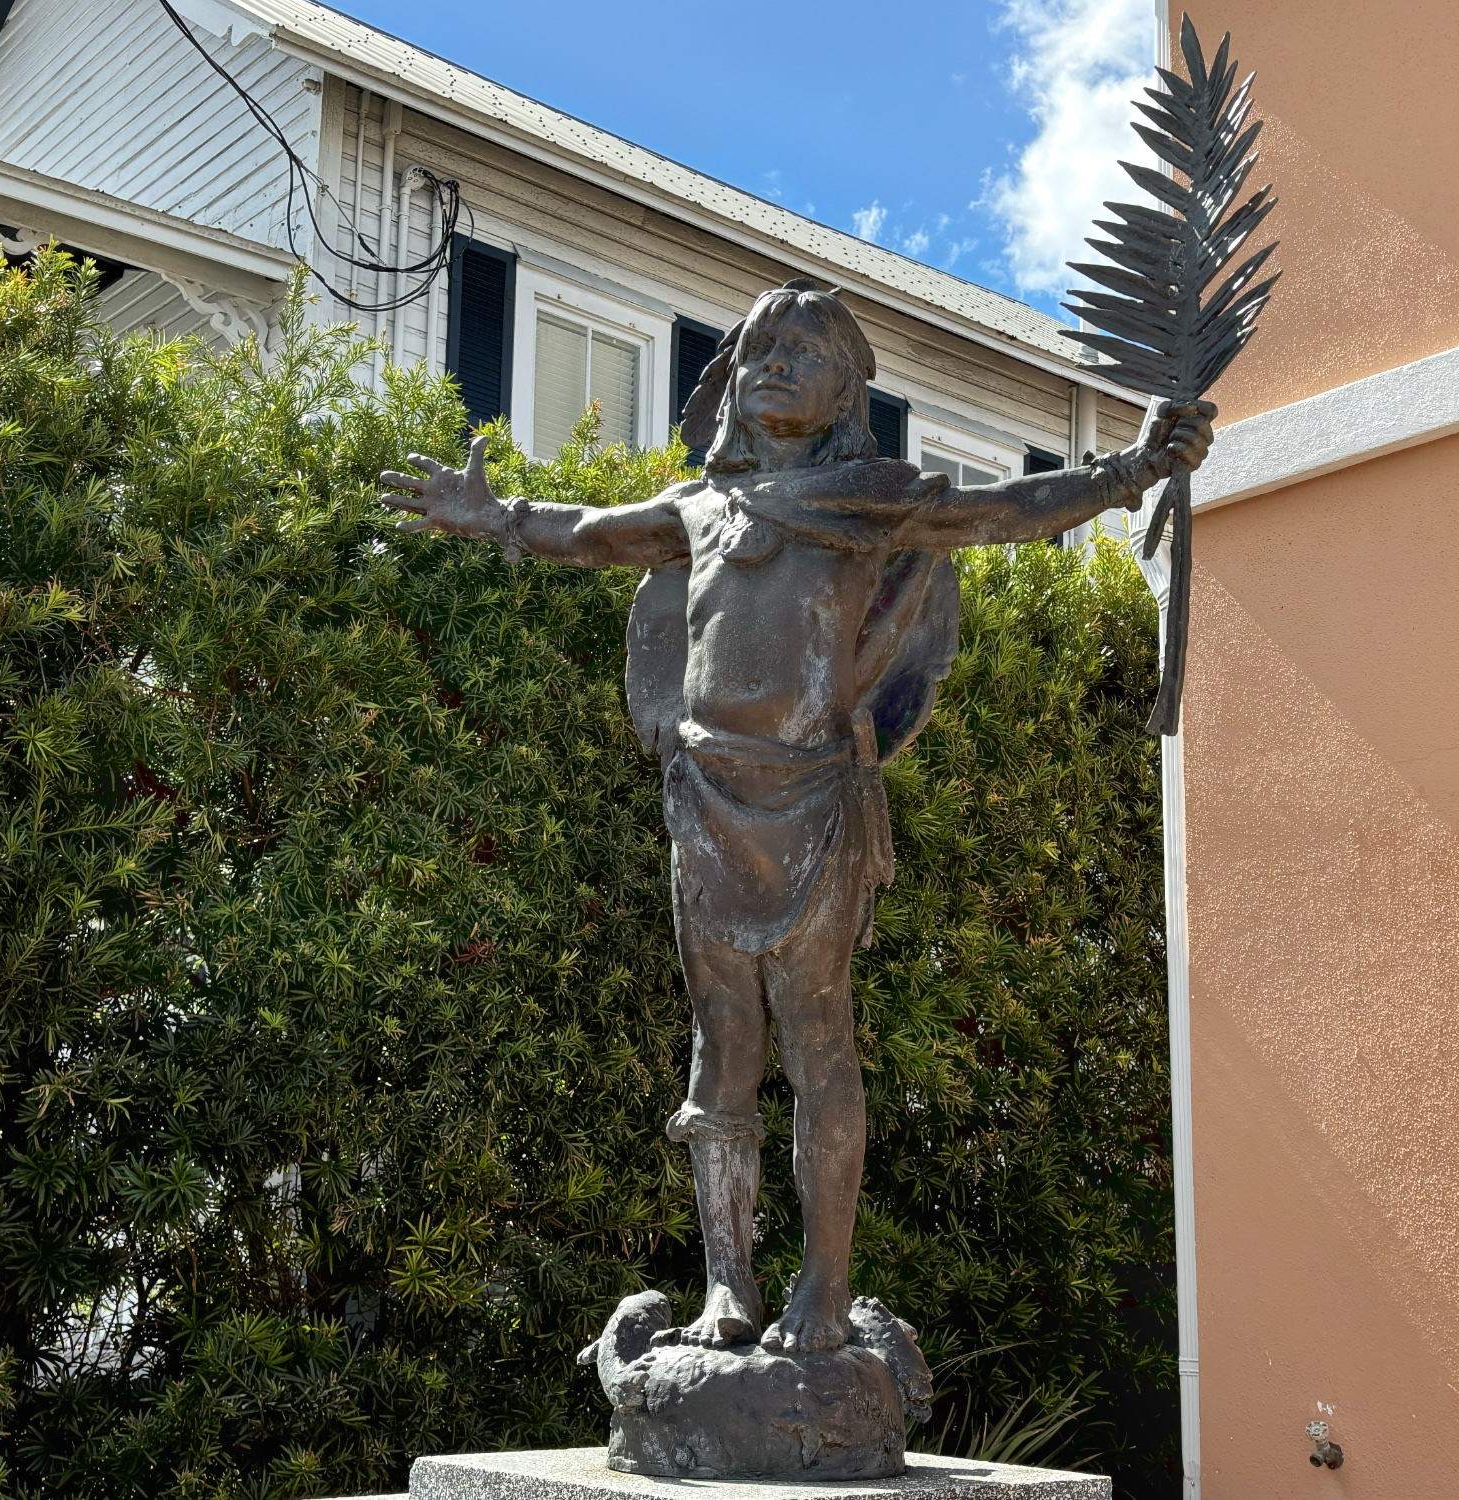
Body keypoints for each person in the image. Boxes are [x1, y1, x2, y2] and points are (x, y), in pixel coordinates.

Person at [381, 280, 1212, 1355]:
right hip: (704, 798)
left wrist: (1131, 471)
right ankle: (727, 1289)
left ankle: (821, 1289)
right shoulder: (699, 509)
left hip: (815, 800)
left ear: (844, 395)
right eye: (758, 349)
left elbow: (1002, 514)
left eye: (803, 352)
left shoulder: (872, 498)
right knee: (719, 1046)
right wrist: (497, 518)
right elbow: (592, 533)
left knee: (821, 1041)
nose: (772, 363)